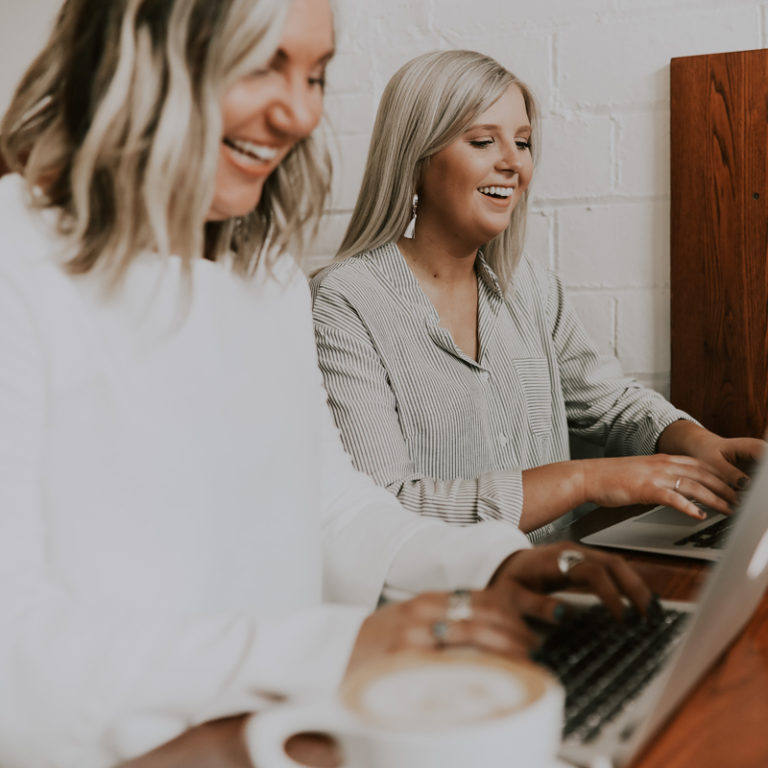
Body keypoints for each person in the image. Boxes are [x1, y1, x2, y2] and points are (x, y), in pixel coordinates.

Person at [0, 5, 652, 768]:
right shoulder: (20, 266)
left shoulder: (264, 269)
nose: (300, 111)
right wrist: (336, 648)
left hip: (285, 738)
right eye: (261, 65)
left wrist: (487, 563)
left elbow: (330, 505)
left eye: (315, 74)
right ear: (141, 51)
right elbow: (18, 653)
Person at [311, 49, 764, 542]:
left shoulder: (528, 287)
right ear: (415, 158)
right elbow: (388, 507)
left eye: (523, 143)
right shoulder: (344, 301)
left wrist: (700, 443)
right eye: (483, 140)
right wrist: (587, 479)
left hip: (561, 579)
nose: (513, 163)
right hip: (447, 605)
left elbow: (608, 403)